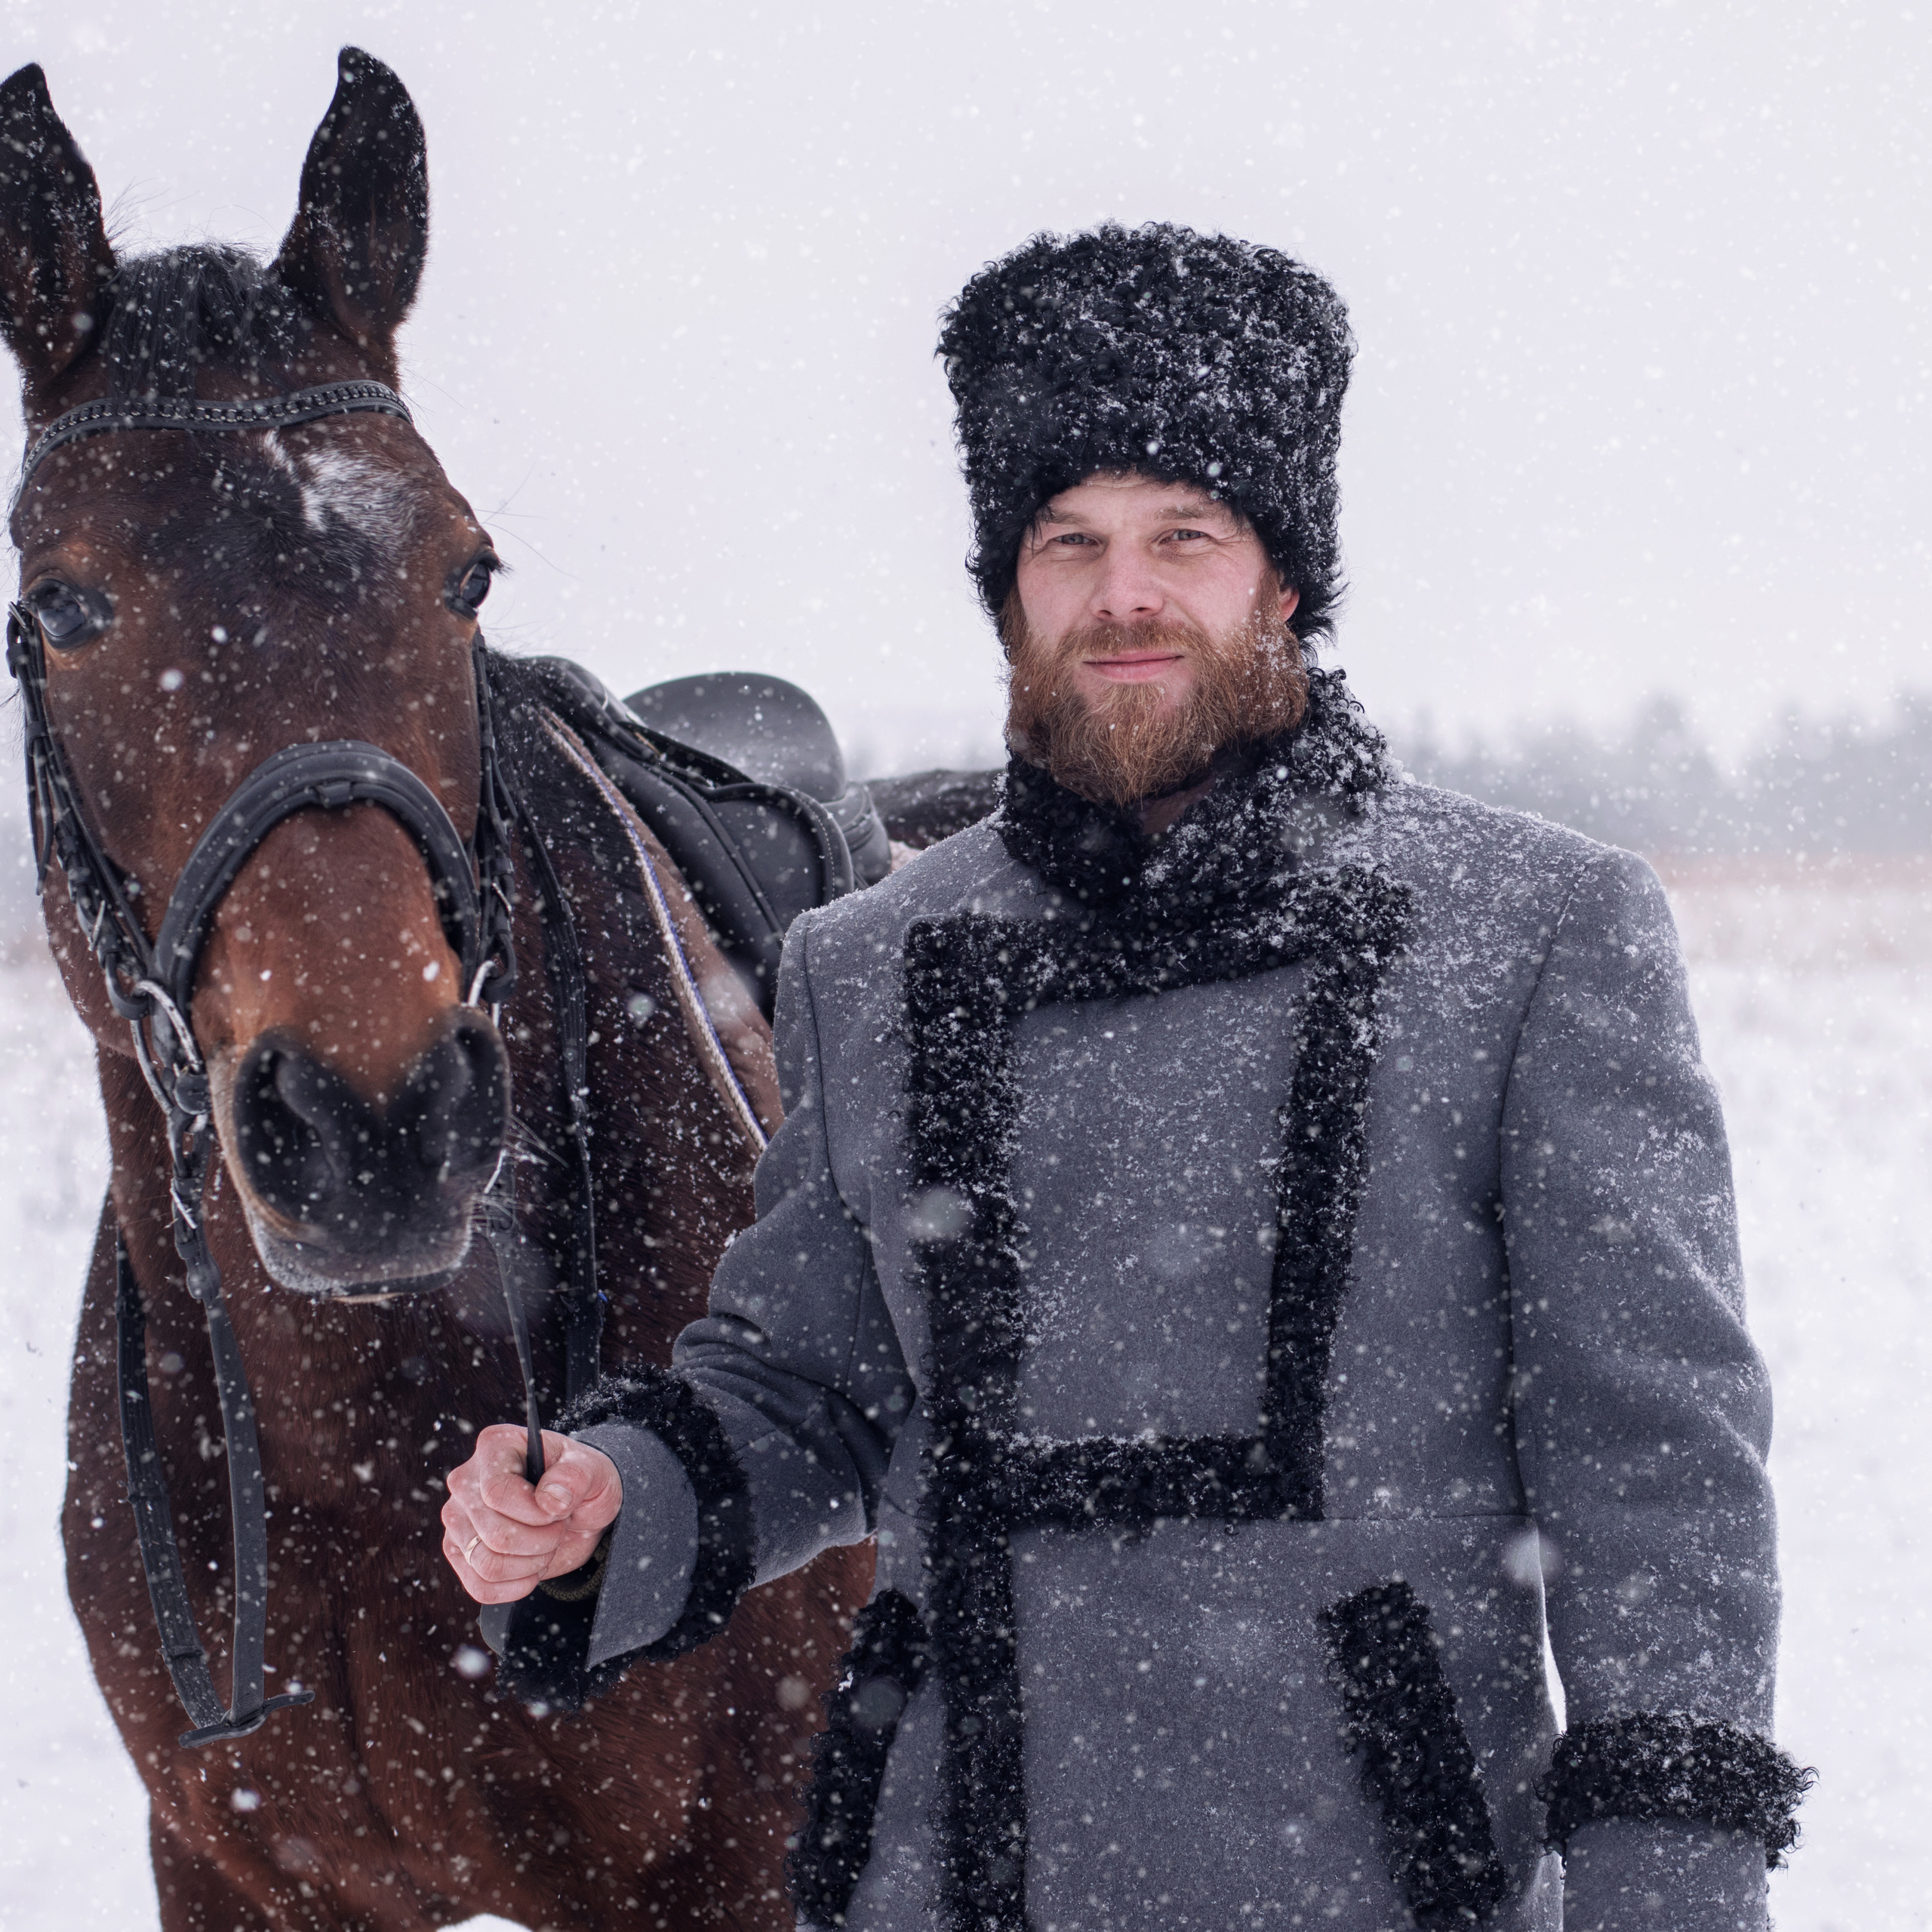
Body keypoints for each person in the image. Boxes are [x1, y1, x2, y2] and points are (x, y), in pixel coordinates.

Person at [441, 223, 1807, 1931]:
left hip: (1397, 1879)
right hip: (954, 1880)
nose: (1124, 592)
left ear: (1284, 580)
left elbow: (1651, 1461)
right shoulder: (866, 965)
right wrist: (610, 1505)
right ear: (1009, 589)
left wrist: (1669, 1876)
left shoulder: (1532, 932)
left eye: (1184, 535)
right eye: (1067, 542)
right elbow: (800, 1387)